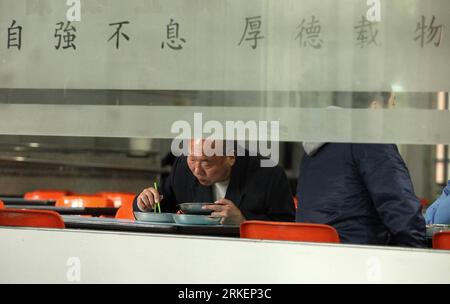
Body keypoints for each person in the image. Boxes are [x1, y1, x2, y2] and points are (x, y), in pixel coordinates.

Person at [296, 92, 426, 247]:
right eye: (393, 105)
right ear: (375, 108)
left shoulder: (315, 149)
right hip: (357, 256)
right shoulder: (370, 141)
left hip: (311, 252)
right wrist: (418, 251)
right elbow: (399, 205)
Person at [134, 139, 295, 225]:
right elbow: (162, 206)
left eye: (207, 163)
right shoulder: (183, 167)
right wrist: (145, 203)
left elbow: (286, 226)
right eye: (192, 159)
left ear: (230, 157)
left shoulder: (268, 174)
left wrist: (244, 221)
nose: (196, 170)